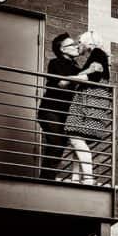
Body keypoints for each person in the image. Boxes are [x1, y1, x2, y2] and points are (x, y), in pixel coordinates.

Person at [63, 31, 112, 185]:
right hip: (90, 102)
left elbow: (94, 76)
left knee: (76, 138)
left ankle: (89, 178)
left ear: (88, 44)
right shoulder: (98, 55)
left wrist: (70, 79)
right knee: (77, 139)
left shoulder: (97, 53)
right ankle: (76, 178)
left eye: (80, 42)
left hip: (90, 103)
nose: (79, 45)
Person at [37, 33, 81, 180]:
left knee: (59, 146)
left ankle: (47, 179)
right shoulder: (56, 63)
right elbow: (62, 83)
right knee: (56, 143)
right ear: (62, 50)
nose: (76, 46)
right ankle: (45, 181)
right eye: (71, 45)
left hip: (64, 113)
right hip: (50, 110)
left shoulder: (76, 67)